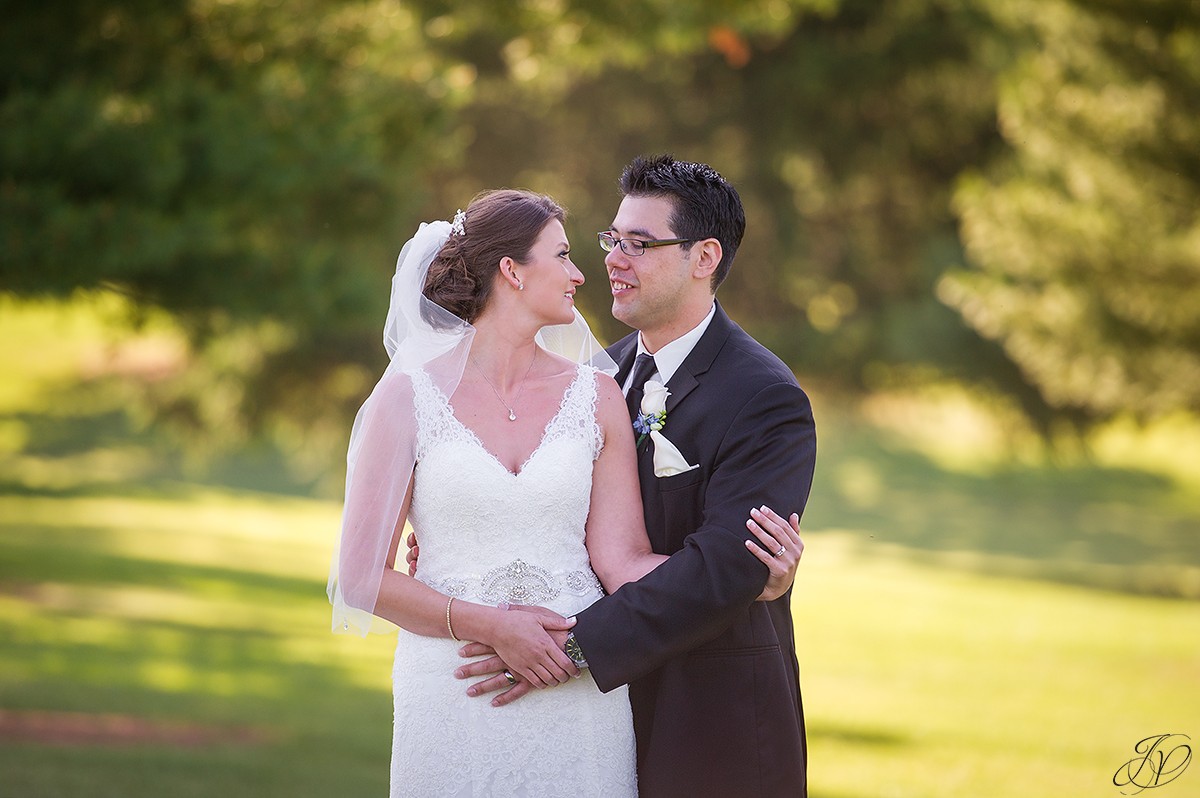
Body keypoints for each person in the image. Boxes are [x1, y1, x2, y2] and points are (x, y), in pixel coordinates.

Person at [327, 188, 803, 797]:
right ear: (511, 272)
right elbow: (361, 576)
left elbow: (624, 561)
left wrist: (744, 574)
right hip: (454, 677)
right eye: (563, 255)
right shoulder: (405, 400)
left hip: (576, 690)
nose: (585, 273)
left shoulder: (596, 395)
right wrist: (490, 625)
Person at [453, 156, 817, 797]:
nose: (614, 260)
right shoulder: (593, 379)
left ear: (705, 257)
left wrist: (575, 648)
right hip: (592, 725)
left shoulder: (765, 396)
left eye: (641, 245)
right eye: (612, 240)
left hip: (712, 722)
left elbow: (729, 565)